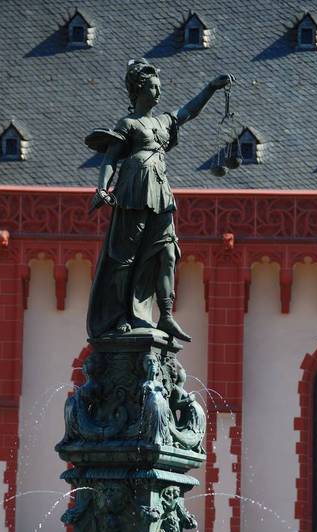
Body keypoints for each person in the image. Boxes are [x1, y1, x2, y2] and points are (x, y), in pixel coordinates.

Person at [86, 59, 231, 342]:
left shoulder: (163, 122)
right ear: (139, 89)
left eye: (159, 87)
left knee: (167, 252)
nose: (159, 92)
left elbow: (189, 111)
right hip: (134, 190)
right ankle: (118, 318)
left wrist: (211, 88)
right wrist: (102, 189)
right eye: (154, 86)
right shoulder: (128, 123)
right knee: (125, 258)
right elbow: (110, 158)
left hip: (160, 191)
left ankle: (165, 315)